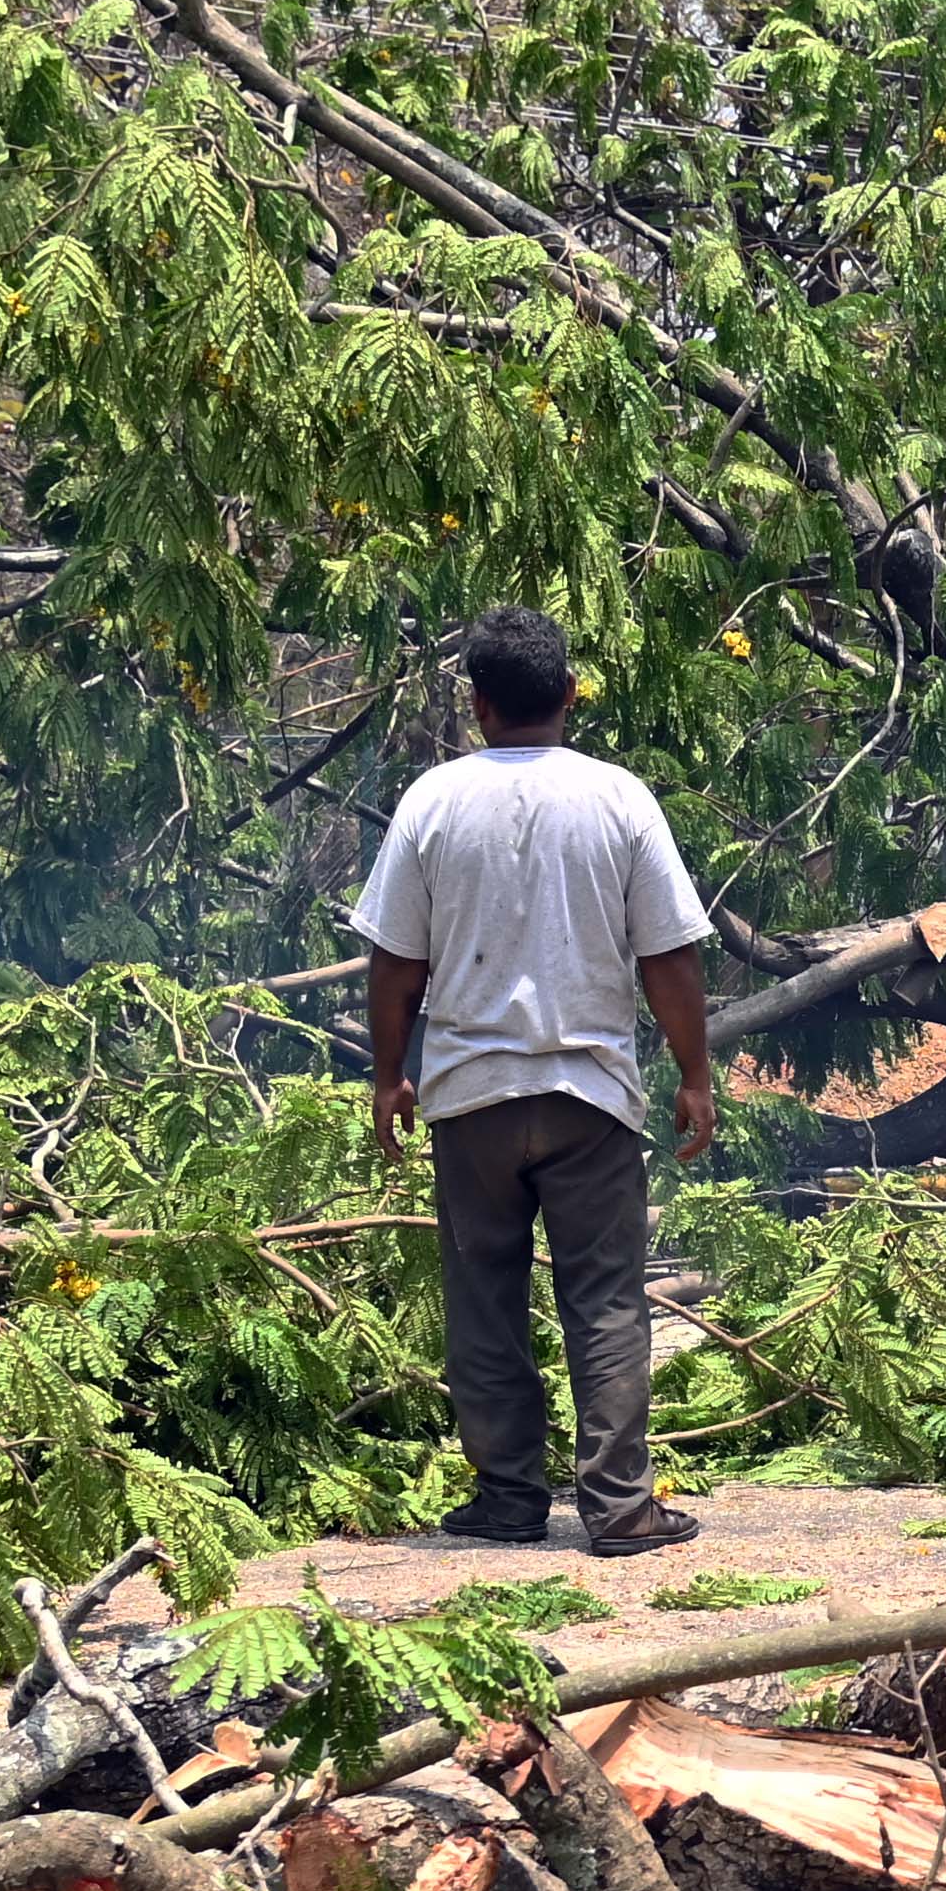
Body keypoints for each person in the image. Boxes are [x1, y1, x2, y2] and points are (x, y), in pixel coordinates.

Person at [358, 602, 724, 1552]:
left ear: (478, 706)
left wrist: (387, 1077)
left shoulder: (432, 802)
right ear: (568, 695)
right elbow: (671, 956)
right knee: (604, 1298)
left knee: (484, 1298)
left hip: (471, 1099)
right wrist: (695, 1075)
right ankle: (618, 1507)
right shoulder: (618, 799)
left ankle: (510, 1497)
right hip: (590, 1098)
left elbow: (396, 963)